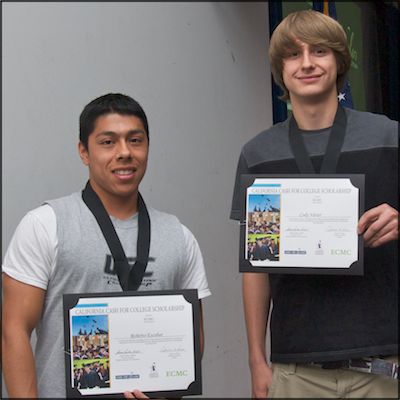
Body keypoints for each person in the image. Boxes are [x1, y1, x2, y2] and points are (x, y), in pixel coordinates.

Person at [230, 10, 398, 399]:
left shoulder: (389, 136)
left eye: (319, 51)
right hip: (296, 369)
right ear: (280, 69)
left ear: (339, 61)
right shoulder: (257, 154)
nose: (306, 62)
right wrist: (257, 361)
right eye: (293, 54)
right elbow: (254, 266)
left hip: (385, 363)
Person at [2, 93, 211, 398]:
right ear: (84, 152)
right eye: (108, 142)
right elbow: (13, 331)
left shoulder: (179, 236)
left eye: (135, 140)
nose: (124, 152)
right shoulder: (45, 224)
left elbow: (191, 338)